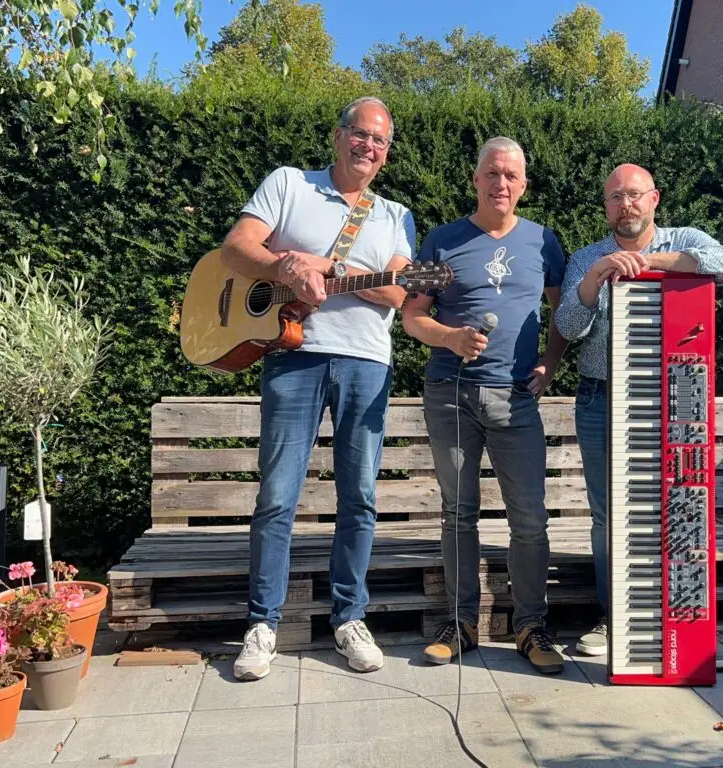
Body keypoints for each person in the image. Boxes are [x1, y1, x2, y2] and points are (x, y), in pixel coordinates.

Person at [220, 96, 416, 680]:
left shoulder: (395, 214)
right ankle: (262, 624)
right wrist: (284, 268)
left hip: (367, 363)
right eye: (360, 134)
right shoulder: (289, 183)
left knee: (359, 497)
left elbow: (401, 292)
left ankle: (350, 618)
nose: (368, 146)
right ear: (338, 135)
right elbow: (236, 247)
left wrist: (332, 270)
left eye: (379, 141)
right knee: (277, 495)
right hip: (292, 355)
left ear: (386, 154)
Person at [554, 163, 723, 657]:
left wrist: (652, 261)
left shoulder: (685, 239)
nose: (626, 205)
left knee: (677, 507)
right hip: (600, 397)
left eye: (634, 195)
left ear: (654, 198)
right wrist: (595, 277)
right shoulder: (587, 257)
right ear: (606, 206)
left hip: (674, 398)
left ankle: (683, 632)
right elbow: (568, 327)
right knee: (609, 515)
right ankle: (615, 620)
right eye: (615, 197)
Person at [402, 137, 570, 675]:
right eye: (492, 173)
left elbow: (564, 313)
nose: (501, 183)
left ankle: (531, 627)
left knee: (530, 518)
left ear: (524, 185)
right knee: (458, 513)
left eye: (511, 176)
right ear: (476, 179)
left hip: (516, 400)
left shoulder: (544, 241)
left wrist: (550, 363)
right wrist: (449, 338)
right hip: (449, 395)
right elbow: (412, 316)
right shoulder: (441, 240)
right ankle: (461, 623)